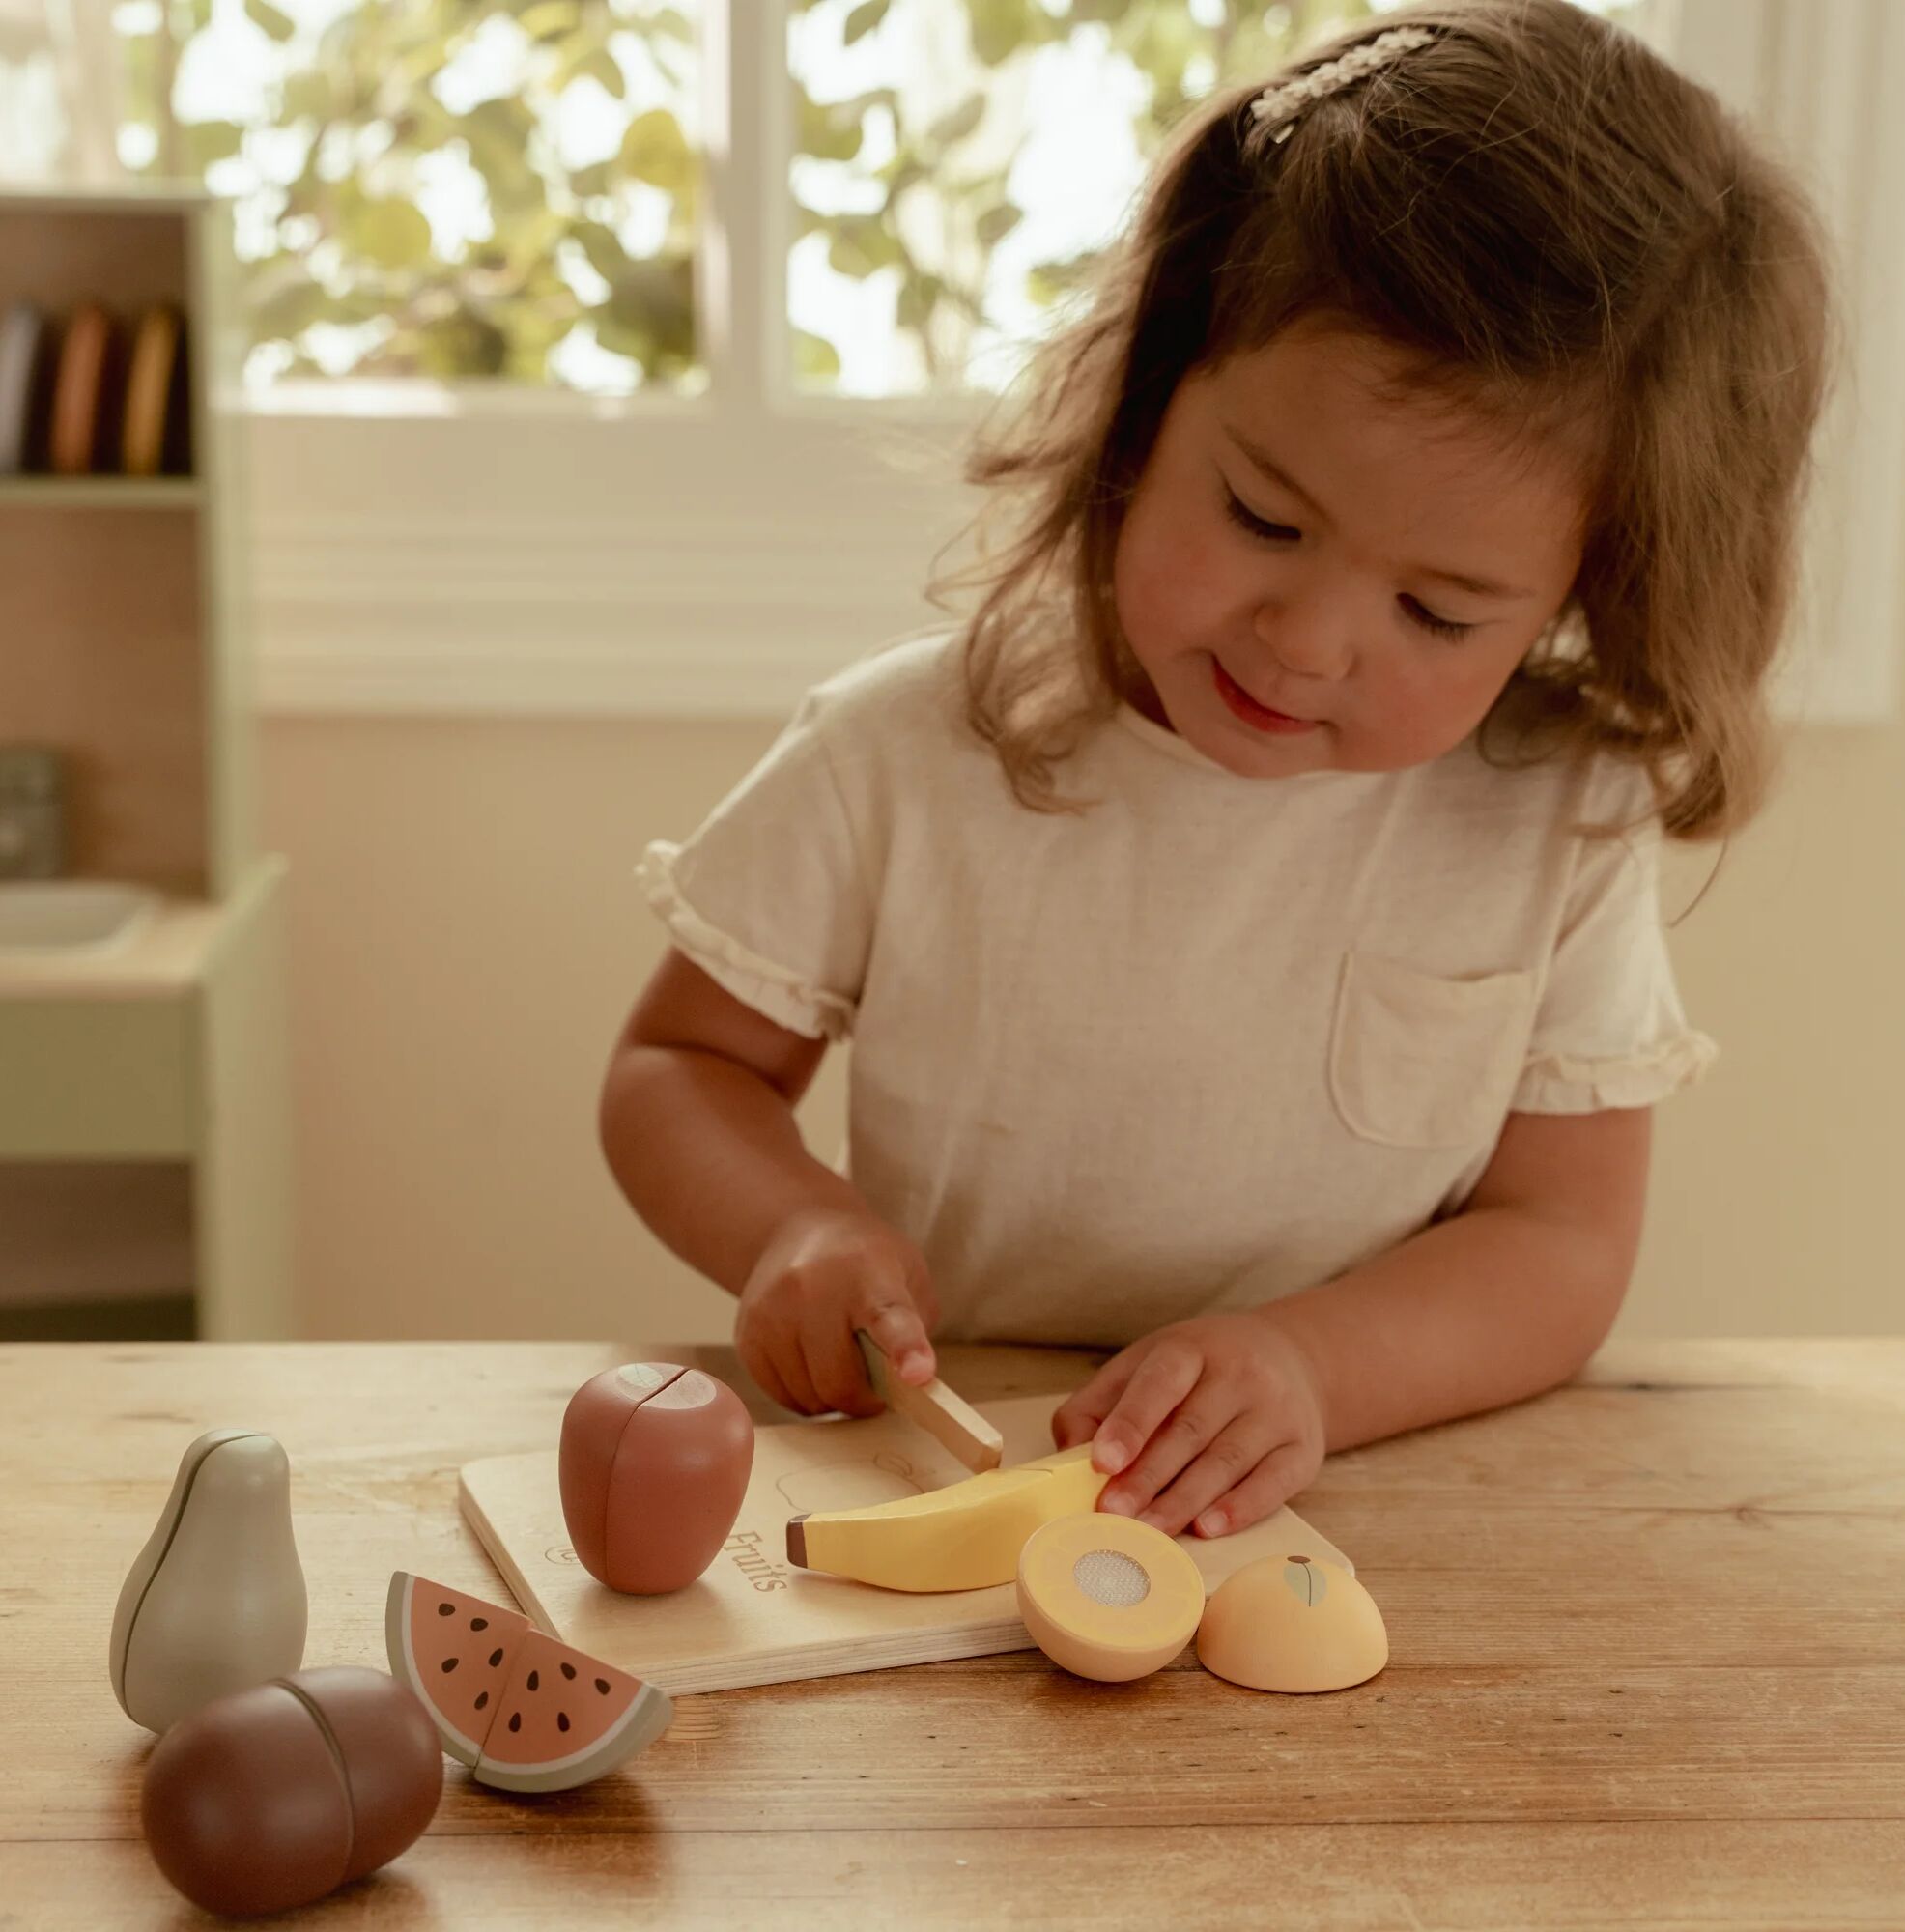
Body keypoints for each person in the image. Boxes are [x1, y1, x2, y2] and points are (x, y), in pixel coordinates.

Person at [599, 1, 1831, 1547]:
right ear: (1151, 394)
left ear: (1592, 591)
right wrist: (795, 1224)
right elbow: (679, 1071)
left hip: (1365, 1494)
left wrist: (1309, 1367)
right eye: (1260, 515)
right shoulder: (904, 753)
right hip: (943, 1475)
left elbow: (1560, 1242)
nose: (1308, 643)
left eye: (1437, 612)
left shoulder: (1551, 823)